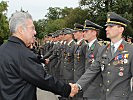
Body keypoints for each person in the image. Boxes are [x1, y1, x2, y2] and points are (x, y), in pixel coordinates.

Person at [0, 11, 78, 100]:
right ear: (21, 30)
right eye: (32, 28)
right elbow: (43, 79)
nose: (35, 32)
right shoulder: (23, 54)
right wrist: (67, 89)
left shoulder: (2, 49)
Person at [71, 12, 132, 100]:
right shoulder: (103, 49)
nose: (106, 29)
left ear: (121, 29)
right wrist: (78, 85)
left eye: (110, 26)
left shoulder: (130, 50)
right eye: (107, 26)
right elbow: (92, 69)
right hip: (103, 96)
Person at [82, 20, 103, 100]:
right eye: (83, 31)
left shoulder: (99, 47)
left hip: (95, 87)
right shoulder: (87, 47)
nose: (83, 33)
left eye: (86, 31)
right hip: (87, 85)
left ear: (94, 33)